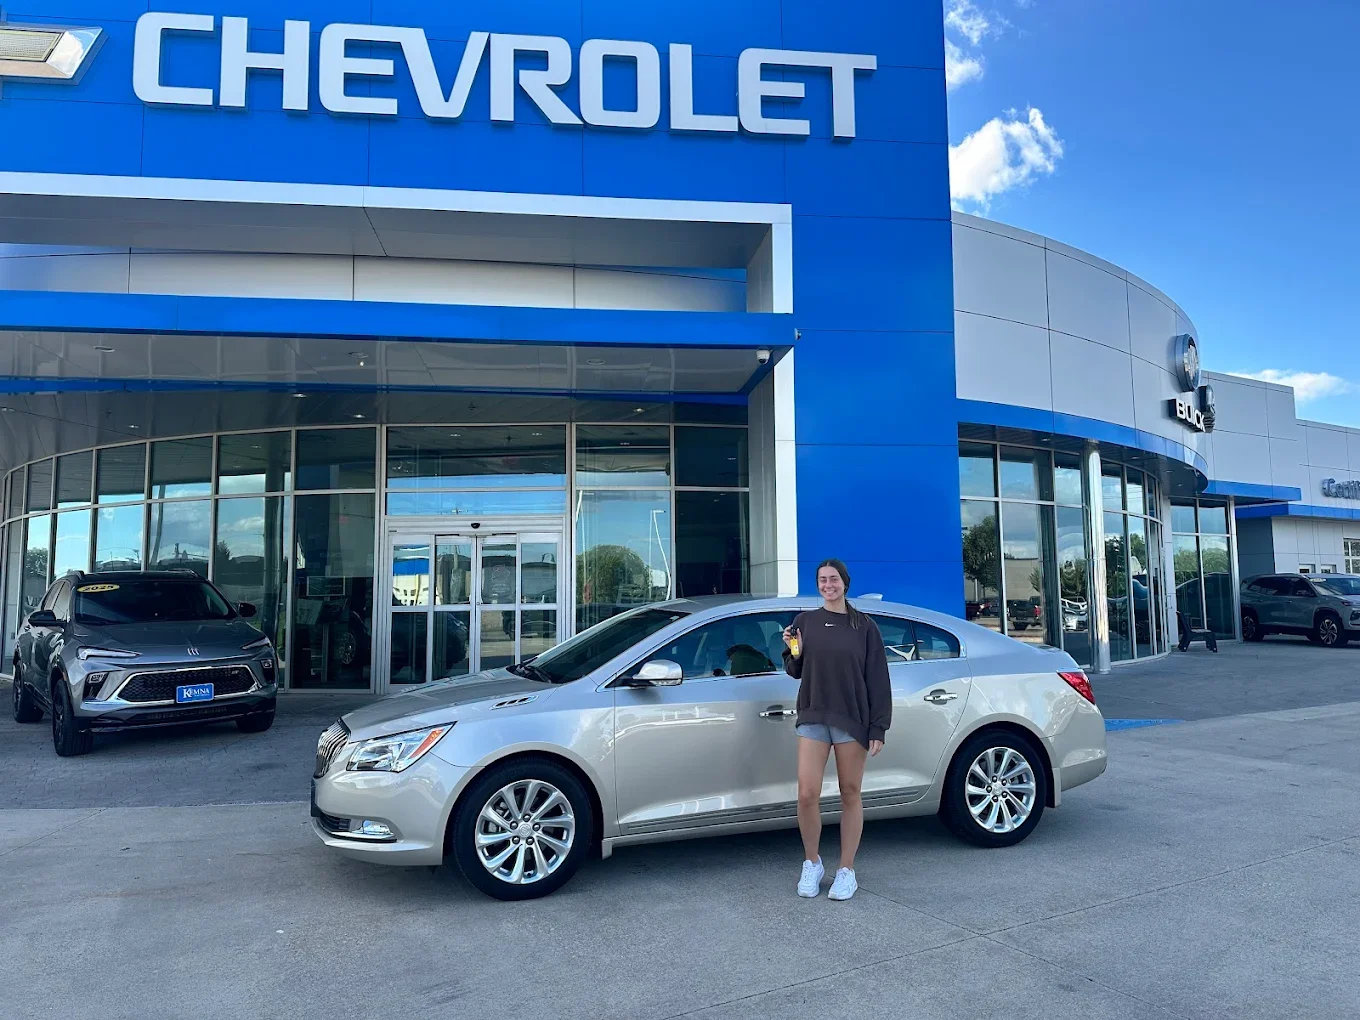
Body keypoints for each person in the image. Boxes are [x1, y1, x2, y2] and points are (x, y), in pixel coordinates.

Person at [781, 559, 891, 901]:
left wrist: (878, 726)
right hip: (813, 714)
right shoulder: (805, 622)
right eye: (822, 580)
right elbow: (794, 669)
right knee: (806, 794)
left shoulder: (865, 627)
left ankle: (846, 870)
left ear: (845, 582)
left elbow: (878, 678)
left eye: (833, 579)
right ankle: (812, 863)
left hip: (852, 718)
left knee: (850, 793)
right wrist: (792, 648)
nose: (828, 585)